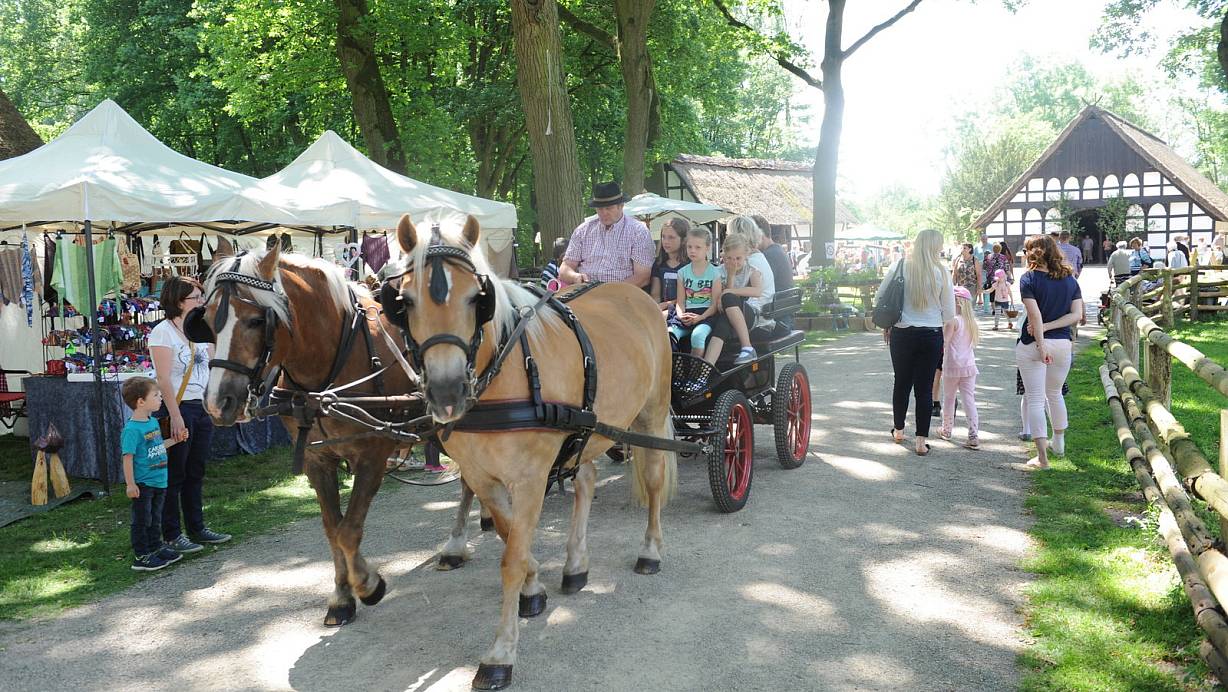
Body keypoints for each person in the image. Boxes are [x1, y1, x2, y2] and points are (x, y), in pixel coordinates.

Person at [150, 276, 231, 554]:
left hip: (201, 407)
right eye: (195, 297)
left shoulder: (199, 329)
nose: (200, 302)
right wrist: (175, 416)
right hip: (179, 406)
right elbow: (162, 379)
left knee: (196, 471)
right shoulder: (163, 332)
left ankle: (197, 527)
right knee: (175, 474)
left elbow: (213, 363)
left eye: (201, 296)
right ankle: (172, 533)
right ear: (178, 301)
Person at [877, 228, 955, 457]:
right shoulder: (942, 272)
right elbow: (949, 313)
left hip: (902, 332)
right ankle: (921, 441)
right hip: (931, 334)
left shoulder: (900, 266)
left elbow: (880, 296)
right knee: (925, 388)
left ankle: (899, 430)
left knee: (901, 383)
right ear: (936, 247)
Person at [1017, 234, 1084, 469]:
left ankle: (1042, 458)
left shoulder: (1028, 279)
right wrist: (1048, 328)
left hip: (1033, 344)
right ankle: (1059, 444)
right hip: (1062, 343)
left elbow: (1034, 316)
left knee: (1035, 398)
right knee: (1054, 394)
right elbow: (1076, 315)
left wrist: (1041, 337)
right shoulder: (1070, 279)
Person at [122, 376, 187, 572]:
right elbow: (128, 458)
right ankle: (142, 556)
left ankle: (155, 547)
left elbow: (158, 447)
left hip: (160, 480)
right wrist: (131, 484)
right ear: (141, 402)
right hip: (143, 484)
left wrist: (176, 440)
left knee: (155, 517)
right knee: (143, 520)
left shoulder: (152, 423)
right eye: (156, 395)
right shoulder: (132, 430)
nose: (161, 398)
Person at [558, 181, 655, 287]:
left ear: (621, 206)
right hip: (585, 291)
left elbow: (642, 277)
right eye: (600, 208)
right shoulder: (582, 231)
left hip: (622, 294)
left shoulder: (638, 231)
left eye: (609, 208)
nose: (604, 213)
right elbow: (565, 269)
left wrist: (609, 291)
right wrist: (575, 277)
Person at [704, 232, 767, 365]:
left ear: (746, 256)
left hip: (749, 314)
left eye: (738, 258)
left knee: (728, 297)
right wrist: (731, 276)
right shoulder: (719, 271)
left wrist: (729, 291)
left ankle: (747, 346)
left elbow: (757, 291)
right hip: (726, 314)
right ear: (723, 256)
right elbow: (721, 298)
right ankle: (707, 368)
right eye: (729, 258)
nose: (734, 262)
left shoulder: (752, 271)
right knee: (722, 324)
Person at [938, 286, 981, 448]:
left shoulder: (953, 321)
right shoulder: (971, 322)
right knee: (969, 399)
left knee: (949, 398)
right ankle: (973, 434)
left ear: (956, 301)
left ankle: (947, 430)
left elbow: (945, 342)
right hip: (969, 366)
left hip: (952, 366)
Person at [670, 227, 721, 357]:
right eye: (689, 247)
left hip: (706, 315)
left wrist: (700, 317)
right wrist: (681, 315)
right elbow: (680, 301)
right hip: (686, 314)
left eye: (698, 247)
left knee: (697, 336)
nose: (692, 250)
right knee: (669, 334)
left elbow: (714, 304)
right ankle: (677, 371)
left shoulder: (715, 272)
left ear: (707, 248)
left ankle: (695, 373)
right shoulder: (682, 272)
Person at [651, 218, 688, 312]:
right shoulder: (658, 264)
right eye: (663, 237)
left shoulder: (690, 264)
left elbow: (691, 296)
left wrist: (669, 304)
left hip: (685, 310)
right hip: (663, 311)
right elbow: (655, 295)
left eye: (671, 237)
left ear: (683, 240)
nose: (666, 241)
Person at [751, 215, 794, 295]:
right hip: (784, 303)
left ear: (759, 235)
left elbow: (754, 286)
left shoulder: (768, 255)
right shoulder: (778, 249)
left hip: (774, 304)